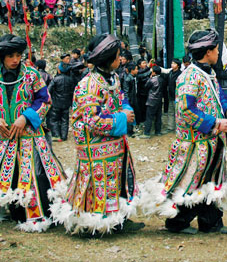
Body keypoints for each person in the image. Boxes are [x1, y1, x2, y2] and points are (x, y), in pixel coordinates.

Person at [141, 29, 227, 235]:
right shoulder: (189, 77)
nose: (218, 52)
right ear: (208, 52)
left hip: (212, 142)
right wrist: (216, 123)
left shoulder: (208, 73)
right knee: (189, 183)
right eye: (217, 49)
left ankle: (211, 222)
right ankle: (177, 222)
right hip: (195, 144)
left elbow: (218, 95)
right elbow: (186, 111)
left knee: (210, 182)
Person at [0, 34, 66, 232]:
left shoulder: (32, 75)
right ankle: (12, 210)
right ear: (2, 57)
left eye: (18, 55)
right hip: (2, 137)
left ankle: (38, 212)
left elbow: (44, 99)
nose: (15, 60)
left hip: (29, 137)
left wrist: (26, 117)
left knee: (34, 175)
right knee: (8, 175)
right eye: (10, 56)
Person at [50, 34, 143, 235]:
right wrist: (122, 118)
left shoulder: (114, 78)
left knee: (118, 182)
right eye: (117, 56)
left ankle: (118, 219)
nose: (120, 59)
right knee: (97, 184)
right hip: (95, 148)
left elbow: (121, 99)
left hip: (115, 144)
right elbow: (92, 121)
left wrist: (127, 110)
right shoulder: (88, 85)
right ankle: (92, 223)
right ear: (108, 59)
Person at [48, 59, 76, 142]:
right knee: (65, 120)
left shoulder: (55, 80)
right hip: (66, 103)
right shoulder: (71, 80)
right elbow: (73, 92)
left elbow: (48, 90)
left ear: (59, 70)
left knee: (54, 119)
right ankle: (64, 136)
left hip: (56, 103)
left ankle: (56, 135)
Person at [141, 66, 163, 138]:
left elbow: (146, 86)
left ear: (154, 72)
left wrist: (150, 78)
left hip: (151, 100)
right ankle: (158, 131)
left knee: (149, 117)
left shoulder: (152, 80)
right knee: (158, 117)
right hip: (159, 100)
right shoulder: (161, 79)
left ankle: (147, 133)